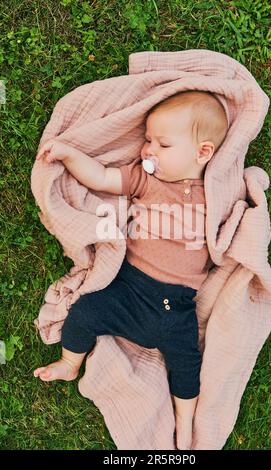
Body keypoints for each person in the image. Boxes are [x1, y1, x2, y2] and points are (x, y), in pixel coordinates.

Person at [33, 90, 228, 450]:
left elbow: (231, 229)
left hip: (177, 305)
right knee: (85, 312)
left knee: (187, 364)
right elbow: (102, 177)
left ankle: (184, 422)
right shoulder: (145, 179)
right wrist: (71, 155)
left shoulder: (215, 194)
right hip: (128, 289)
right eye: (148, 140)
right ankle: (69, 362)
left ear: (202, 153)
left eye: (163, 144)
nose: (149, 149)